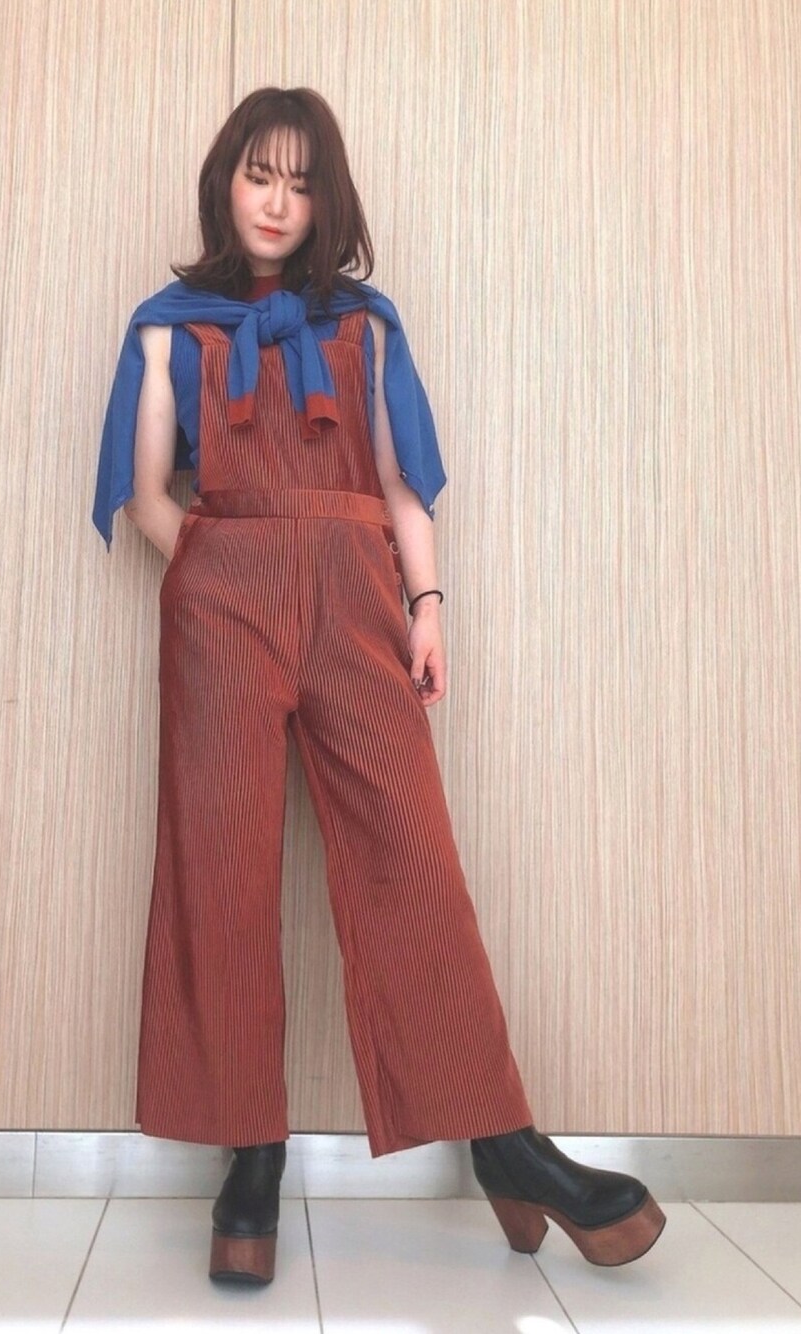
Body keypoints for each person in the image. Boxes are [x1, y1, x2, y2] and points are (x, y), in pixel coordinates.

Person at [92, 86, 666, 1286]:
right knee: (219, 868)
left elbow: (403, 482)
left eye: (301, 183)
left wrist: (427, 604)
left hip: (357, 598)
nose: (276, 201)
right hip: (221, 610)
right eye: (259, 174)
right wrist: (219, 568)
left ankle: (505, 1144)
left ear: (327, 201)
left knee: (413, 864)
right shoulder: (164, 327)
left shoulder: (366, 324)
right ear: (224, 180)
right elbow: (146, 494)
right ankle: (250, 1159)